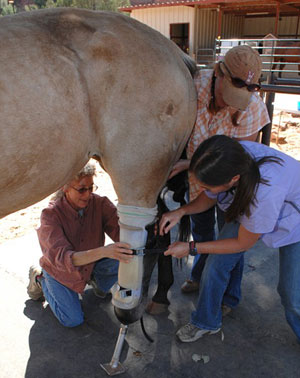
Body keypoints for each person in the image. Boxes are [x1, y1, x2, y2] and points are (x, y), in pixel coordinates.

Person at [159, 135, 300, 343]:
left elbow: (242, 243)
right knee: (216, 264)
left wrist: (191, 247)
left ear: (233, 180)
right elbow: (210, 195)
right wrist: (180, 212)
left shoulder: (264, 194)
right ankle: (206, 322)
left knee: (291, 295)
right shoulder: (233, 155)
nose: (205, 190)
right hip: (249, 202)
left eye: (208, 185)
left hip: (295, 222)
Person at [169, 44, 270, 295]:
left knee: (230, 242)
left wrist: (191, 165)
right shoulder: (193, 85)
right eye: (227, 95)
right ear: (218, 73)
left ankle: (229, 294)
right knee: (201, 233)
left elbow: (239, 161)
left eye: (240, 97)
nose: (230, 104)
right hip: (199, 182)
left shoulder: (253, 107)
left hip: (230, 185)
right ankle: (198, 276)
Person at [27, 163, 133, 327]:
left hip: (90, 265)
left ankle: (96, 281)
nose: (88, 194)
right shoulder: (50, 215)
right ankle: (40, 278)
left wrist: (141, 227)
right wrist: (104, 251)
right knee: (73, 320)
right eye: (82, 189)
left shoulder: (100, 203)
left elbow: (122, 233)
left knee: (130, 254)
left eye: (91, 188)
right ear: (65, 187)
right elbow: (65, 259)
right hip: (60, 272)